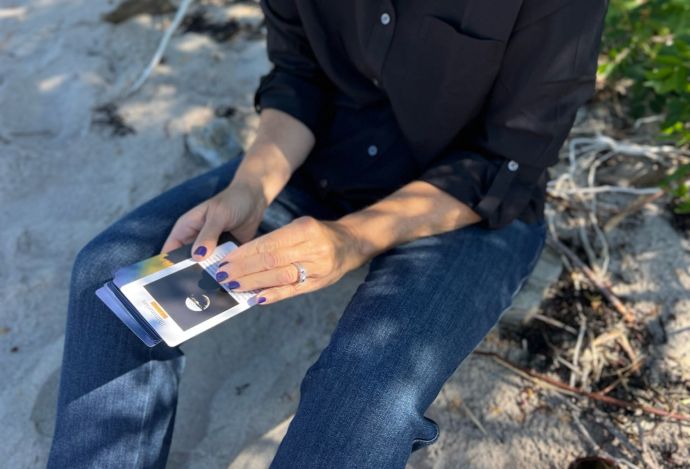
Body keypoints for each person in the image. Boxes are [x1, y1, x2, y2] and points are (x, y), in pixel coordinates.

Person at [48, 0, 608, 467]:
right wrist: (251, 187)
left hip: (466, 208)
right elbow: (299, 75)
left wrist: (353, 239)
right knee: (114, 283)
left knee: (367, 395)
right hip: (320, 161)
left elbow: (509, 160)